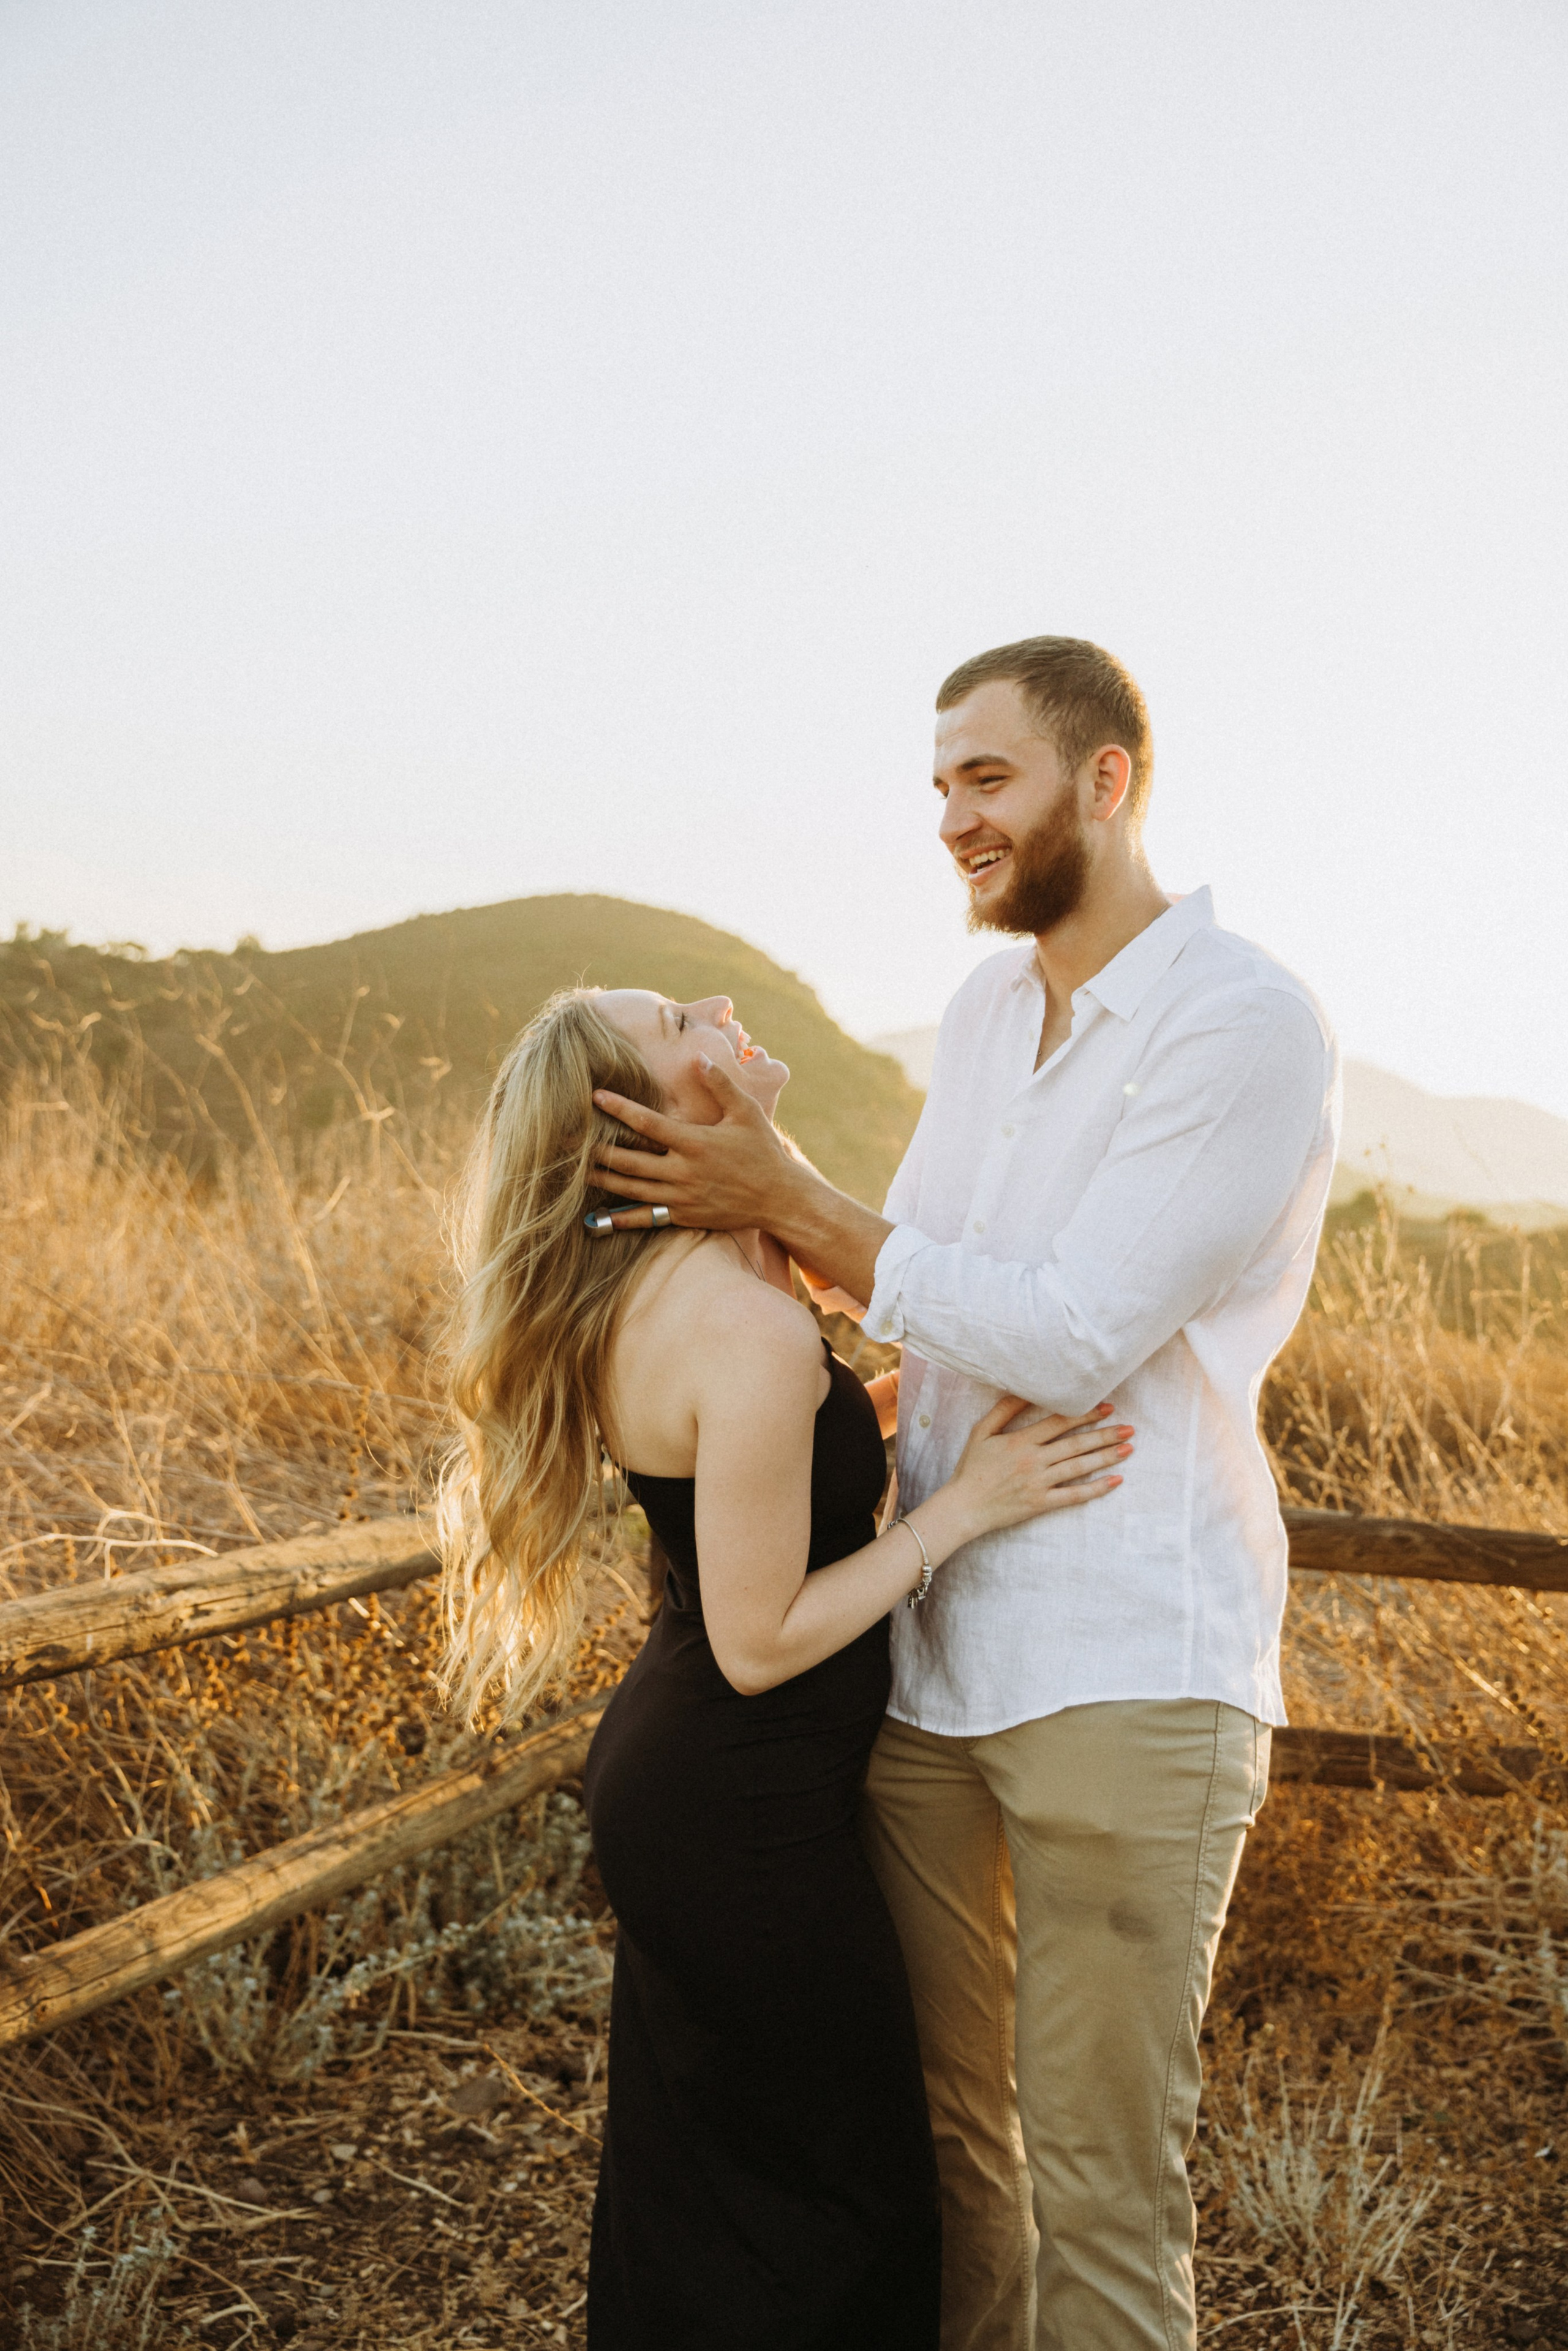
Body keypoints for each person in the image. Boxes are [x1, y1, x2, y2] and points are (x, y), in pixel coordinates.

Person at [587, 635, 1342, 2351]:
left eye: (984, 778)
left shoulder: (1244, 1023)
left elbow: (1075, 1328)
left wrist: (786, 1189)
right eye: (938, 785)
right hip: (930, 1666)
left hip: (1128, 1661)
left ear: (1109, 779)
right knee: (947, 2154)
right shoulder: (992, 1010)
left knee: (1101, 2181)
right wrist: (764, 1267)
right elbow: (922, 1271)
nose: (951, 819)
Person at [435, 979, 1134, 2351]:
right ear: (640, 1116)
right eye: (678, 1021)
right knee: (841, 2187)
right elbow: (762, 1642)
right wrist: (966, 1506)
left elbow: (785, 1451)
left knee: (718, 2179)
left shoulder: (695, 1282)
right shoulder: (737, 1323)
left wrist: (910, 1397)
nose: (720, 1005)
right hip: (735, 1796)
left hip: (694, 1781)